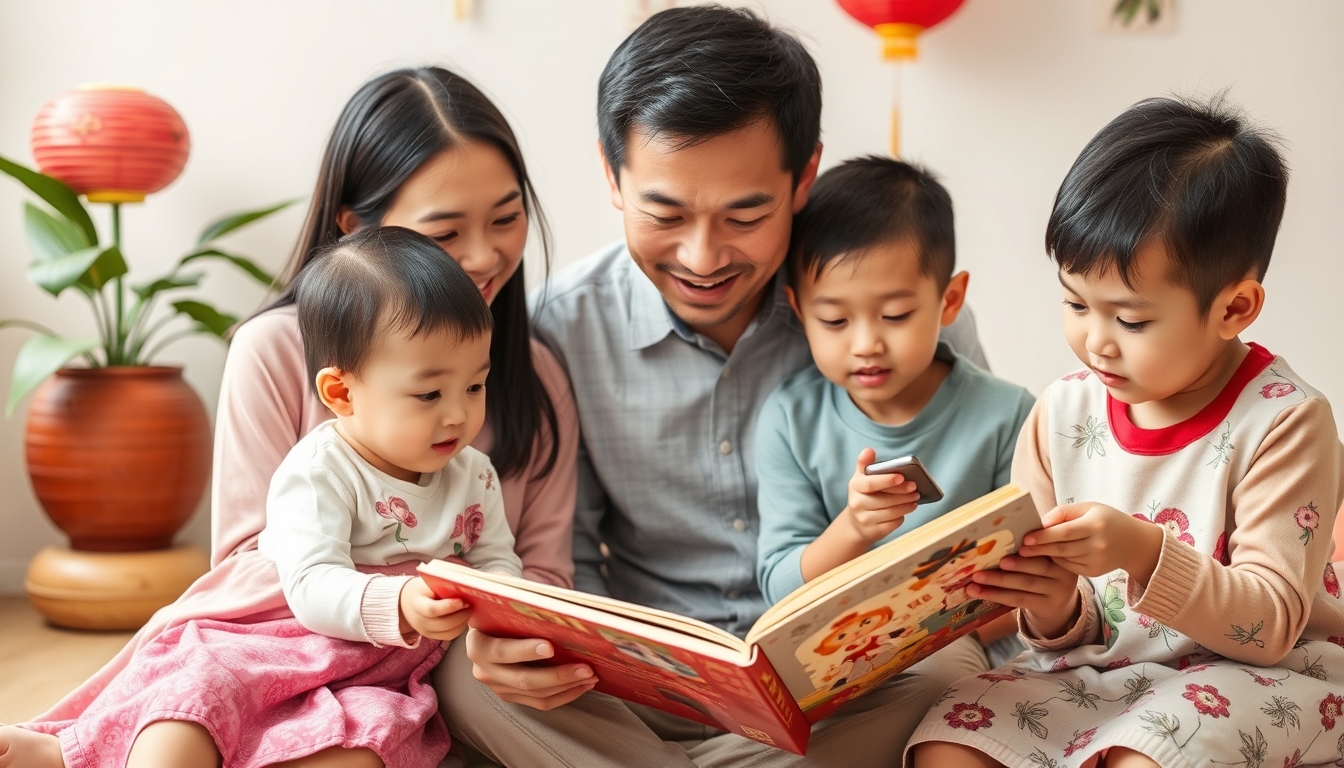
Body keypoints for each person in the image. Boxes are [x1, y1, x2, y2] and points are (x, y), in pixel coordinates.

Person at [437, 7, 992, 766]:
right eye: (665, 212)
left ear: (805, 178)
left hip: (839, 681)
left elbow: (975, 520)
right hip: (642, 693)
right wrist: (534, 647)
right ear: (611, 175)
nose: (702, 257)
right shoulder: (559, 332)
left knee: (954, 671)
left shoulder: (892, 312)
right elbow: (566, 559)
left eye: (745, 214)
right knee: (471, 682)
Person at [14, 66, 578, 766]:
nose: (485, 255)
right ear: (357, 230)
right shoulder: (282, 365)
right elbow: (257, 568)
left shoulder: (530, 384)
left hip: (432, 661)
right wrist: (399, 597)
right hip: (293, 628)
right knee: (194, 698)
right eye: (444, 230)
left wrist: (483, 618)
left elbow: (531, 574)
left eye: (505, 216)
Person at [908, 95, 1344, 767]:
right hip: (1101, 678)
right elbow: (1059, 629)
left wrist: (1143, 552)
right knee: (947, 744)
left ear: (1234, 307)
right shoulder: (1062, 412)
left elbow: (1270, 625)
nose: (1096, 342)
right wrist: (1052, 607)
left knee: (1142, 758)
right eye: (1075, 302)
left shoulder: (1285, 421)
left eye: (1131, 321)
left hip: (1260, 678)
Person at [0, 227, 523, 768]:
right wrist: (399, 602)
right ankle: (65, 754)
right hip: (274, 638)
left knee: (371, 743)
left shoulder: (475, 476)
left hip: (380, 671)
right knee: (194, 704)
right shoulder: (321, 471)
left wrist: (502, 599)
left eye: (475, 386)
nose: (458, 414)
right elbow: (311, 583)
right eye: (430, 393)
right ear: (341, 393)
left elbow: (495, 558)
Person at [754, 157, 1033, 668]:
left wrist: (935, 640)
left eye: (896, 316)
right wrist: (854, 528)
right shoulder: (789, 421)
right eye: (834, 320)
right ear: (799, 311)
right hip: (848, 665)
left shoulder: (1009, 416)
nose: (866, 344)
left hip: (978, 656)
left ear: (949, 301)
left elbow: (1043, 577)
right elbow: (780, 589)